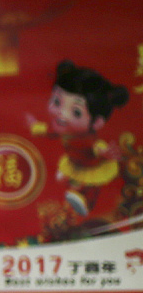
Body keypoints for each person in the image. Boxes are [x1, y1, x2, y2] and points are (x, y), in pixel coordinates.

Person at [29, 59, 130, 216]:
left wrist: (107, 153)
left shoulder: (88, 139)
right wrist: (36, 126)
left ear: (96, 122)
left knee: (90, 187)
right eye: (56, 101)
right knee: (72, 179)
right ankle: (74, 190)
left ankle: (86, 203)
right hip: (75, 161)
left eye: (76, 112)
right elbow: (51, 131)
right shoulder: (66, 131)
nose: (60, 113)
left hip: (92, 166)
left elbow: (98, 147)